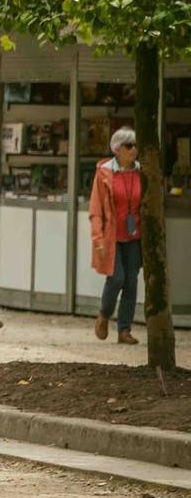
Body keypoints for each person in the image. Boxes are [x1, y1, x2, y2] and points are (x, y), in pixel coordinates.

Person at [89, 128, 144, 346]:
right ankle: (104, 314)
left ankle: (124, 330)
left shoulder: (141, 172)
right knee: (117, 278)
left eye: (135, 146)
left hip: (134, 235)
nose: (134, 150)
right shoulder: (104, 173)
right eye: (129, 146)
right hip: (112, 236)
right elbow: (96, 210)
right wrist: (98, 238)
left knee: (131, 282)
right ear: (117, 149)